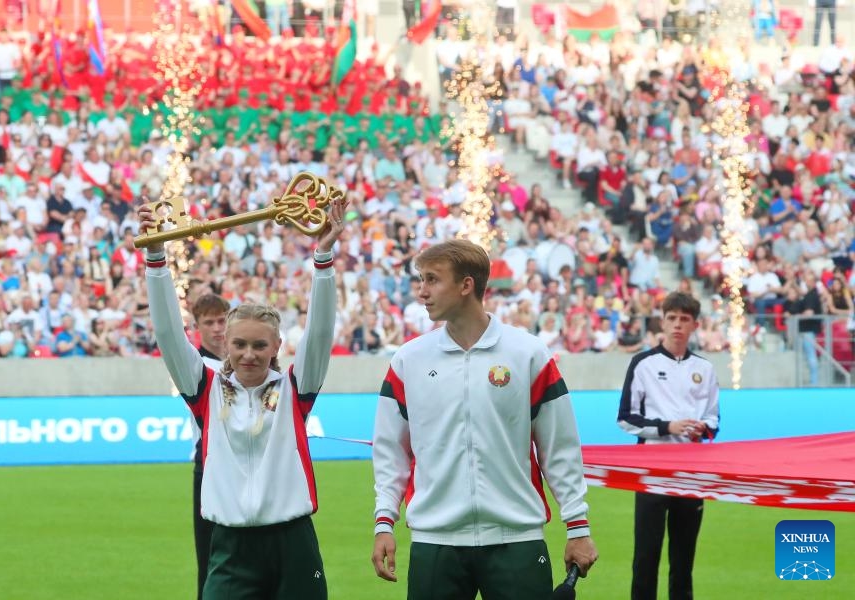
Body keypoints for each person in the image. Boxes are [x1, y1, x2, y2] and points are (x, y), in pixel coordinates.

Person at [140, 195, 347, 600]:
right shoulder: (205, 387)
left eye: (259, 345)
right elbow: (168, 333)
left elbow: (320, 335)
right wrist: (156, 259)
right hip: (231, 547)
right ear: (225, 344)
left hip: (293, 543)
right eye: (239, 344)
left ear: (276, 346)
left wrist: (323, 260)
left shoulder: (295, 388)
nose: (248, 354)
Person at [371, 239, 598, 599]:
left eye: (432, 280)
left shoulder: (529, 354)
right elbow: (389, 452)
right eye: (421, 280)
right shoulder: (408, 360)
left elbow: (561, 449)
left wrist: (578, 526)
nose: (422, 291)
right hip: (435, 540)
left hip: (516, 539)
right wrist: (384, 521)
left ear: (466, 285)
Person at [616, 291, 720, 600]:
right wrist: (666, 427)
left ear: (695, 325)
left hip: (691, 471)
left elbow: (714, 420)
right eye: (672, 318)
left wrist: (703, 428)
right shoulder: (643, 363)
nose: (677, 325)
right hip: (652, 470)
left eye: (684, 319)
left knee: (683, 560)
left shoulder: (706, 369)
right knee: (646, 558)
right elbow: (625, 419)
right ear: (662, 321)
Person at [185, 293, 231, 600]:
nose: (217, 328)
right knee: (211, 561)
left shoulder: (243, 359)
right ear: (197, 327)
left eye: (222, 320)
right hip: (210, 465)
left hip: (245, 466)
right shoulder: (196, 365)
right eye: (209, 322)